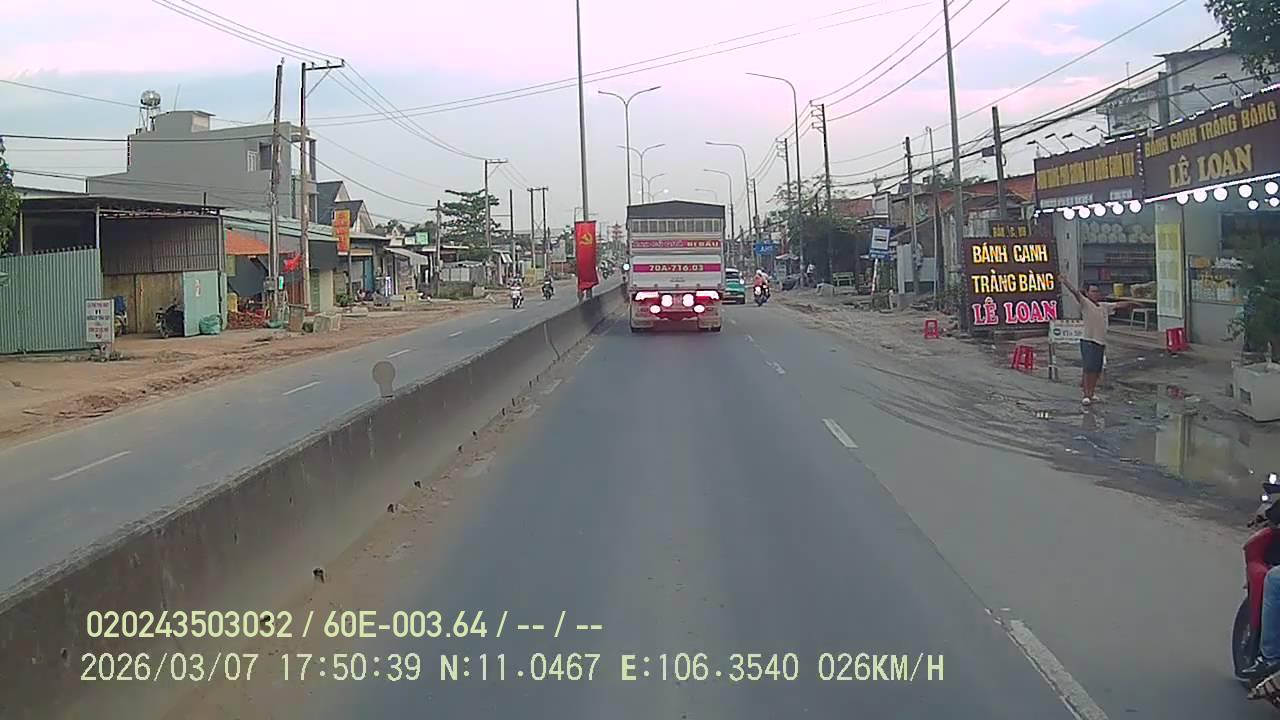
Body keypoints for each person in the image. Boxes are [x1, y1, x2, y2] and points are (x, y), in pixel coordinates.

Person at [1060, 277, 1135, 406]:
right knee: (1088, 369)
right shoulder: (1085, 303)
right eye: (1093, 291)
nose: (1096, 294)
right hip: (1088, 340)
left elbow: (1118, 305)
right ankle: (1086, 394)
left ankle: (1092, 392)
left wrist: (1132, 302)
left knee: (1096, 370)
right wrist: (1065, 282)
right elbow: (1075, 292)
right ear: (1088, 293)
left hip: (1100, 342)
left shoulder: (1103, 306)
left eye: (1097, 291)